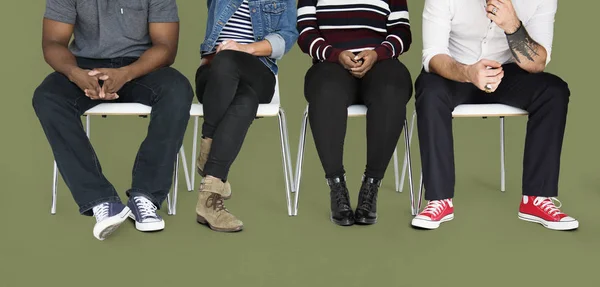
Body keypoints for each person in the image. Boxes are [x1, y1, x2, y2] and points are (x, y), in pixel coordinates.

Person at [33, 0, 193, 240]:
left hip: (142, 68)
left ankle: (145, 196)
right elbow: (53, 43)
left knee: (178, 91)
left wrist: (126, 74)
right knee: (47, 98)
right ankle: (101, 201)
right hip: (85, 67)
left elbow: (166, 48)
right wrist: (75, 74)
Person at [411, 0, 578, 230]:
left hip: (508, 71)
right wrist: (468, 73)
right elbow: (433, 55)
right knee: (429, 90)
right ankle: (439, 200)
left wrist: (512, 25)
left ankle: (536, 199)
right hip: (455, 67)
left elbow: (538, 63)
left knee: (553, 92)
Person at [297, 0, 413, 226]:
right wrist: (335, 54)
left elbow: (402, 31)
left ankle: (371, 184)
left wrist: (378, 53)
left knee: (391, 90)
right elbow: (305, 32)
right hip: (330, 63)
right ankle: (336, 185)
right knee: (325, 92)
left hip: (381, 63)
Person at [194, 0, 298, 232]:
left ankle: (207, 149)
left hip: (258, 71)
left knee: (228, 58)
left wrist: (245, 48)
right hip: (213, 76)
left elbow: (288, 36)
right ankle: (210, 198)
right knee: (244, 101)